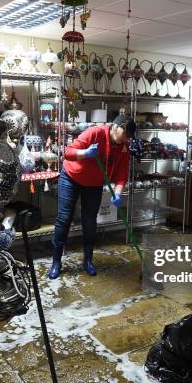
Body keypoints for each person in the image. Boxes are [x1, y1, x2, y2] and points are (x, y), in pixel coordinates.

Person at [48, 114, 135, 279]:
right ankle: (56, 261)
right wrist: (85, 153)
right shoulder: (95, 133)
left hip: (94, 184)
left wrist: (117, 193)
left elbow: (122, 174)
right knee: (64, 219)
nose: (127, 139)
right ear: (116, 127)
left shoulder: (124, 147)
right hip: (71, 177)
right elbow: (68, 152)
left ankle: (88, 260)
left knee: (89, 221)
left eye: (129, 136)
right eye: (125, 134)